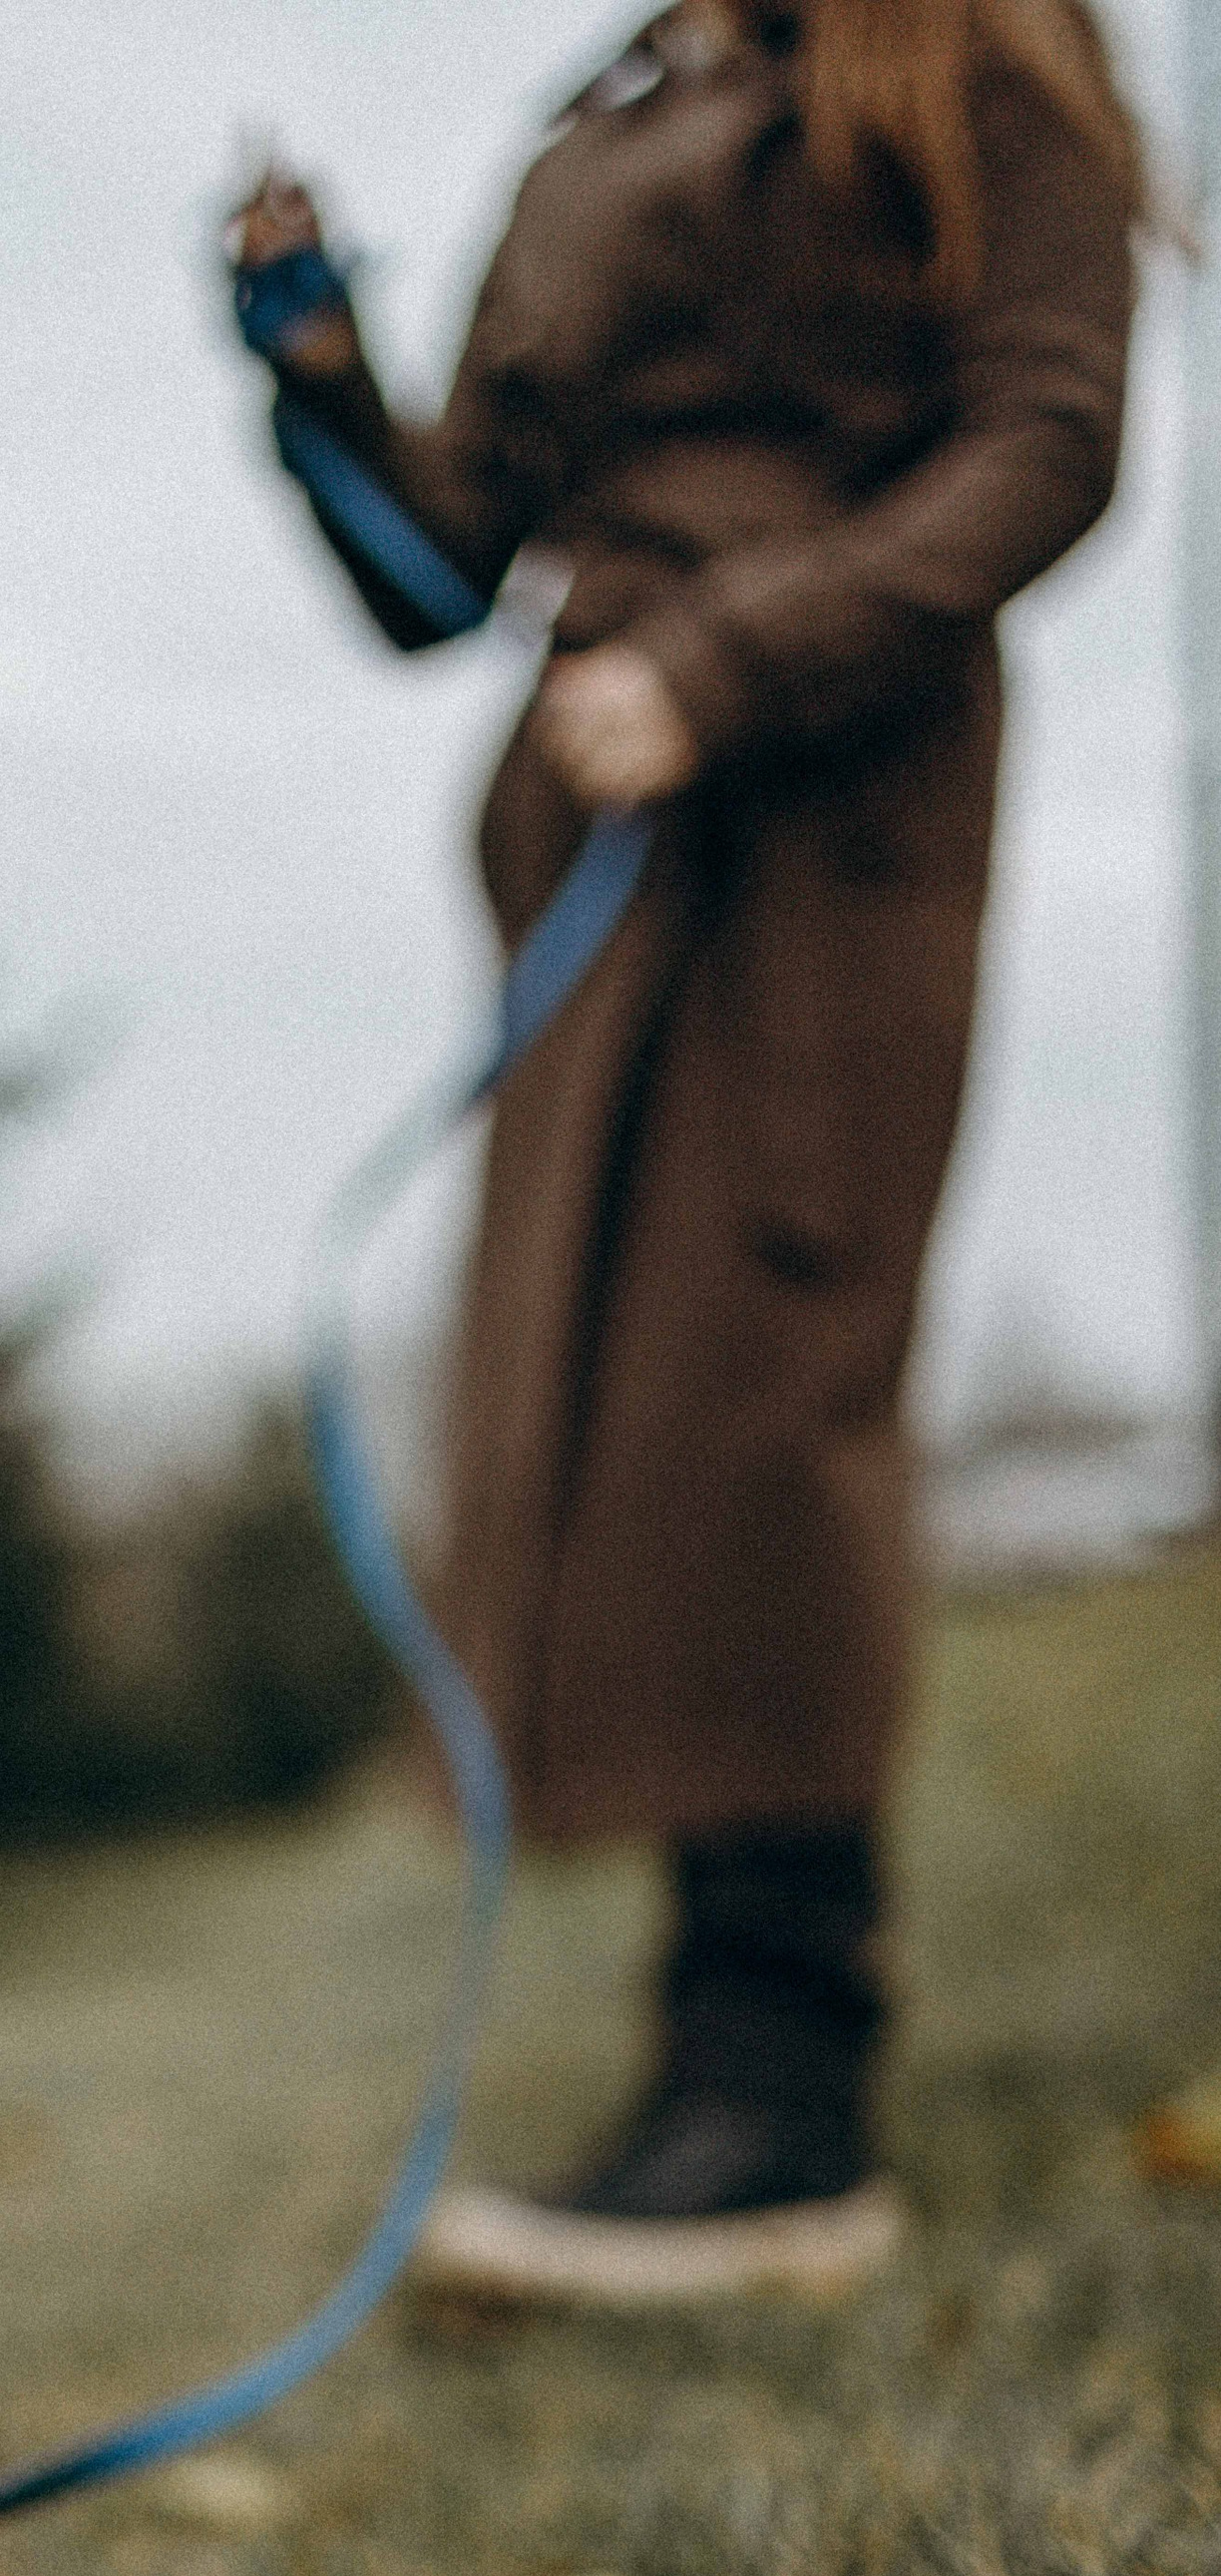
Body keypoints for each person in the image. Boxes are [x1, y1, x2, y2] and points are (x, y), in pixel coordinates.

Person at [228, 0, 1149, 2303]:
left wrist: (727, 666)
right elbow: (444, 567)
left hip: (820, 800)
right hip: (597, 818)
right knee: (619, 1412)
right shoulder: (616, 102)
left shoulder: (973, 52)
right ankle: (708, 2066)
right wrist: (318, 369)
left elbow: (1048, 443)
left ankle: (778, 2093)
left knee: (759, 1396)